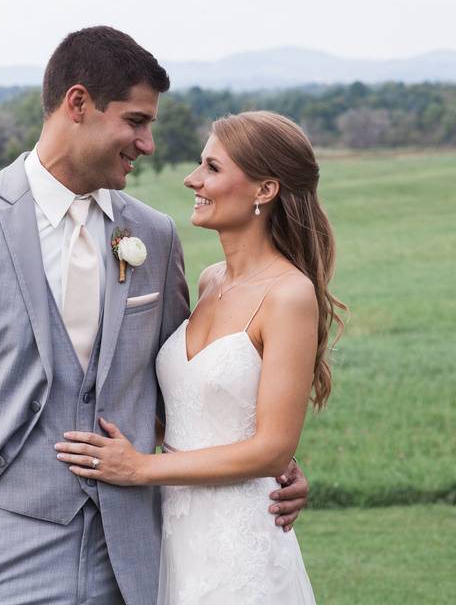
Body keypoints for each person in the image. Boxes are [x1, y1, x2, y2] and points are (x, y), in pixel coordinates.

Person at [0, 27, 309, 604]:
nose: (147, 143)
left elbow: (179, 384)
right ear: (78, 104)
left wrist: (271, 463)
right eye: (136, 121)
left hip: (135, 554)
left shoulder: (153, 234)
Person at [57, 111, 345, 604]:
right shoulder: (211, 280)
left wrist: (139, 468)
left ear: (265, 190)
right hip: (172, 531)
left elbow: (272, 449)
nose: (193, 179)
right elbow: (202, 407)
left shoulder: (288, 294)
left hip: (238, 542)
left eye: (212, 168)